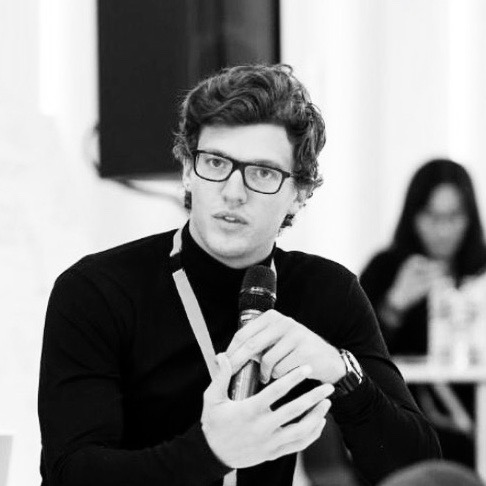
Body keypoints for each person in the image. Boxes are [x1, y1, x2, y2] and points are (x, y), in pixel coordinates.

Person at [38, 64, 440, 486]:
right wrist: (211, 452)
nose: (233, 192)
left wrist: (341, 373)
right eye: (215, 163)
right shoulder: (96, 290)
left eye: (262, 172)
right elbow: (71, 474)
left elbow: (421, 468)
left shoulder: (325, 291)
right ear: (187, 170)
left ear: (299, 194)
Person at [360, 159, 486, 468]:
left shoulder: (481, 268)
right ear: (413, 215)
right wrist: (394, 304)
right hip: (411, 428)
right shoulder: (387, 268)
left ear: (470, 217)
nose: (443, 230)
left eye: (454, 216)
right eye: (431, 216)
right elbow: (356, 355)